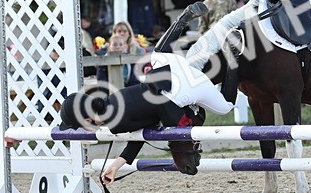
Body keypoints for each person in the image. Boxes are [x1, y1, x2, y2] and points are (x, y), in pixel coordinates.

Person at [59, 53, 234, 184]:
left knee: (226, 106)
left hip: (175, 93)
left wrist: (179, 129)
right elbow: (141, 133)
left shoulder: (115, 121)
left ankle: (234, 61)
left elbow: (143, 130)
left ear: (87, 120)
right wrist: (114, 167)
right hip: (170, 74)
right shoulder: (112, 103)